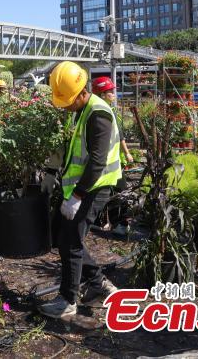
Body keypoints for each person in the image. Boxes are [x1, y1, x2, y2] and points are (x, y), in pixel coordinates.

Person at [39, 62, 122, 319]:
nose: (64, 104)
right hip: (78, 187)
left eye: (67, 99)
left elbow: (97, 162)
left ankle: (67, 300)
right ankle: (97, 284)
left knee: (71, 241)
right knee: (60, 237)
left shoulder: (99, 114)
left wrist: (77, 197)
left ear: (82, 92)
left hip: (95, 187)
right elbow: (70, 148)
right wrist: (52, 172)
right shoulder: (80, 110)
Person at [91, 76, 132, 235]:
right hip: (107, 163)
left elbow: (119, 136)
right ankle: (116, 223)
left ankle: (117, 223)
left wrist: (127, 153)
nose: (114, 94)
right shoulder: (103, 112)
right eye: (110, 92)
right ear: (102, 95)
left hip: (111, 162)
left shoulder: (105, 111)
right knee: (117, 193)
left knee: (118, 192)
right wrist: (127, 153)